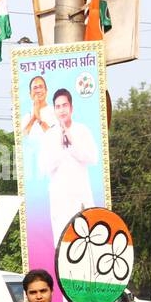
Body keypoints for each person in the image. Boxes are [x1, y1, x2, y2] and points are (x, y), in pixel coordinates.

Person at [39, 87, 100, 246]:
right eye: (58, 107)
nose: (61, 110)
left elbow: (93, 158)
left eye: (64, 105)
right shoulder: (49, 136)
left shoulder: (82, 130)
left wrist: (72, 143)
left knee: (87, 244)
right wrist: (60, 147)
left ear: (71, 108)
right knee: (64, 247)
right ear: (54, 110)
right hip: (60, 201)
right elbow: (44, 167)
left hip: (81, 198)